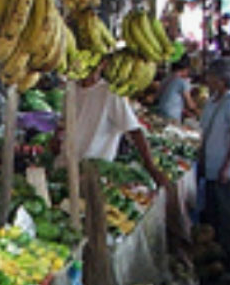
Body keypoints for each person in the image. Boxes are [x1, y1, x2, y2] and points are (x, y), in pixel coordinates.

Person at [70, 58, 170, 188]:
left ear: (103, 64)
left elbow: (134, 131)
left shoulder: (110, 93)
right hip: (67, 165)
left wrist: (151, 167)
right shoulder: (71, 90)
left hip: (93, 173)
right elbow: (65, 123)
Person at [200, 59, 230, 271]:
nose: (207, 80)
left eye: (211, 76)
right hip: (212, 165)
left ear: (221, 80)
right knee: (215, 215)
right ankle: (218, 255)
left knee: (229, 214)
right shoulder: (212, 102)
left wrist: (227, 166)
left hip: (227, 169)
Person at [154, 57, 198, 121]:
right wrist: (197, 110)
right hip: (172, 115)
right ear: (185, 69)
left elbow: (157, 96)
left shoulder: (166, 79)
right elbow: (189, 104)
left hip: (160, 112)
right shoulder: (182, 82)